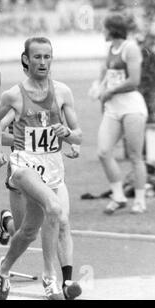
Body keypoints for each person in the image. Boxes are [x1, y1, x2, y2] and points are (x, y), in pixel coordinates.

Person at [0, 37, 83, 300]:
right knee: (54, 209)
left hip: (52, 166)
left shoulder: (63, 92)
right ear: (26, 60)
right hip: (24, 165)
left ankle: (4, 268)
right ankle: (50, 279)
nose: (43, 62)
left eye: (47, 57)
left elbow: (78, 135)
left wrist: (69, 134)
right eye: (37, 57)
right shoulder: (14, 95)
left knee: (29, 230)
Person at [97, 13, 148, 215]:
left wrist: (110, 91)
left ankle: (140, 200)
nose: (102, 31)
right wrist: (100, 89)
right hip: (113, 107)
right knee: (103, 151)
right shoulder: (110, 49)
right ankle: (118, 196)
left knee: (136, 156)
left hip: (131, 107)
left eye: (104, 28)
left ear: (112, 29)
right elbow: (108, 76)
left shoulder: (131, 48)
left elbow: (134, 81)